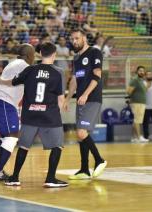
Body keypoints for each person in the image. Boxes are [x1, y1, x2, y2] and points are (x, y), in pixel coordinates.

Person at [2, 42, 68, 188]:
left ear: (40, 54)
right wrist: (59, 113)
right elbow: (60, 99)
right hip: (49, 116)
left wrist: (0, 80)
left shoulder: (30, 69)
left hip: (30, 115)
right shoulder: (58, 72)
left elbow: (13, 82)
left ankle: (14, 177)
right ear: (54, 54)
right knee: (57, 146)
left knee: (24, 147)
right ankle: (50, 178)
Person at [0, 43, 35, 181]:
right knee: (12, 137)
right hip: (4, 103)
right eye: (33, 54)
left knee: (8, 138)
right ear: (29, 55)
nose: (34, 57)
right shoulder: (24, 65)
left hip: (2, 102)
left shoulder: (15, 63)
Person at [63, 28, 107, 180]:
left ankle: (99, 160)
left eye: (77, 38)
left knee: (81, 132)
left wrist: (86, 94)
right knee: (81, 135)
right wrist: (68, 98)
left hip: (92, 98)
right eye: (72, 39)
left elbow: (97, 75)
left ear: (84, 38)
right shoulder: (76, 59)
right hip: (81, 99)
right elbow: (74, 80)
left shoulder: (95, 52)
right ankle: (84, 169)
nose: (74, 41)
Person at [127, 66, 149, 143]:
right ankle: (139, 137)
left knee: (136, 120)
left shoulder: (141, 80)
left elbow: (145, 90)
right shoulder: (135, 80)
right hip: (137, 102)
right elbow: (129, 91)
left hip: (141, 103)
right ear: (137, 71)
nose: (141, 72)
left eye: (143, 71)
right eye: (140, 71)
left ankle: (134, 138)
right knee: (137, 120)